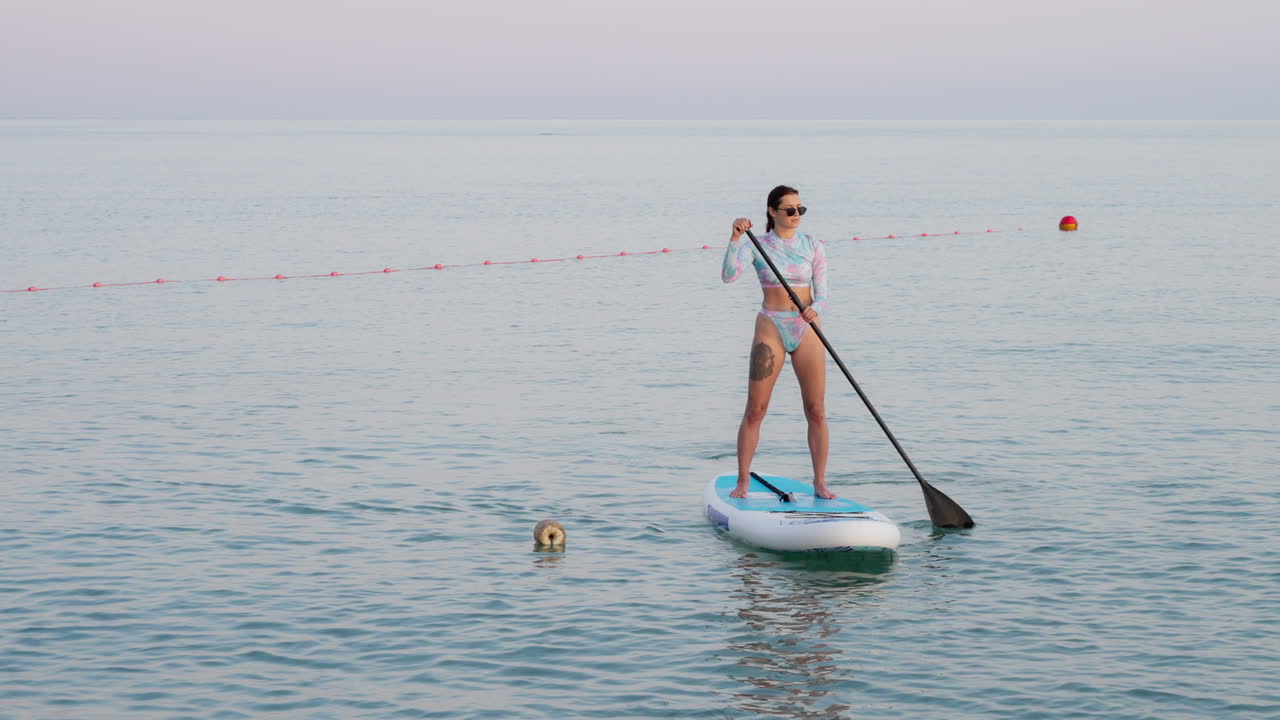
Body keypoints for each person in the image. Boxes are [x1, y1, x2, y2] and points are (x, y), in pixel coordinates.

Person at [722, 185, 833, 499]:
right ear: (772, 212)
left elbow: (822, 291)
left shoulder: (813, 245)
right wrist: (734, 239)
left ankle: (820, 483)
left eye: (800, 209)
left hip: (806, 327)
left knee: (816, 409)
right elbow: (729, 276)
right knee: (756, 409)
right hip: (771, 325)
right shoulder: (758, 245)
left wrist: (816, 308)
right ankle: (743, 480)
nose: (797, 215)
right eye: (790, 210)